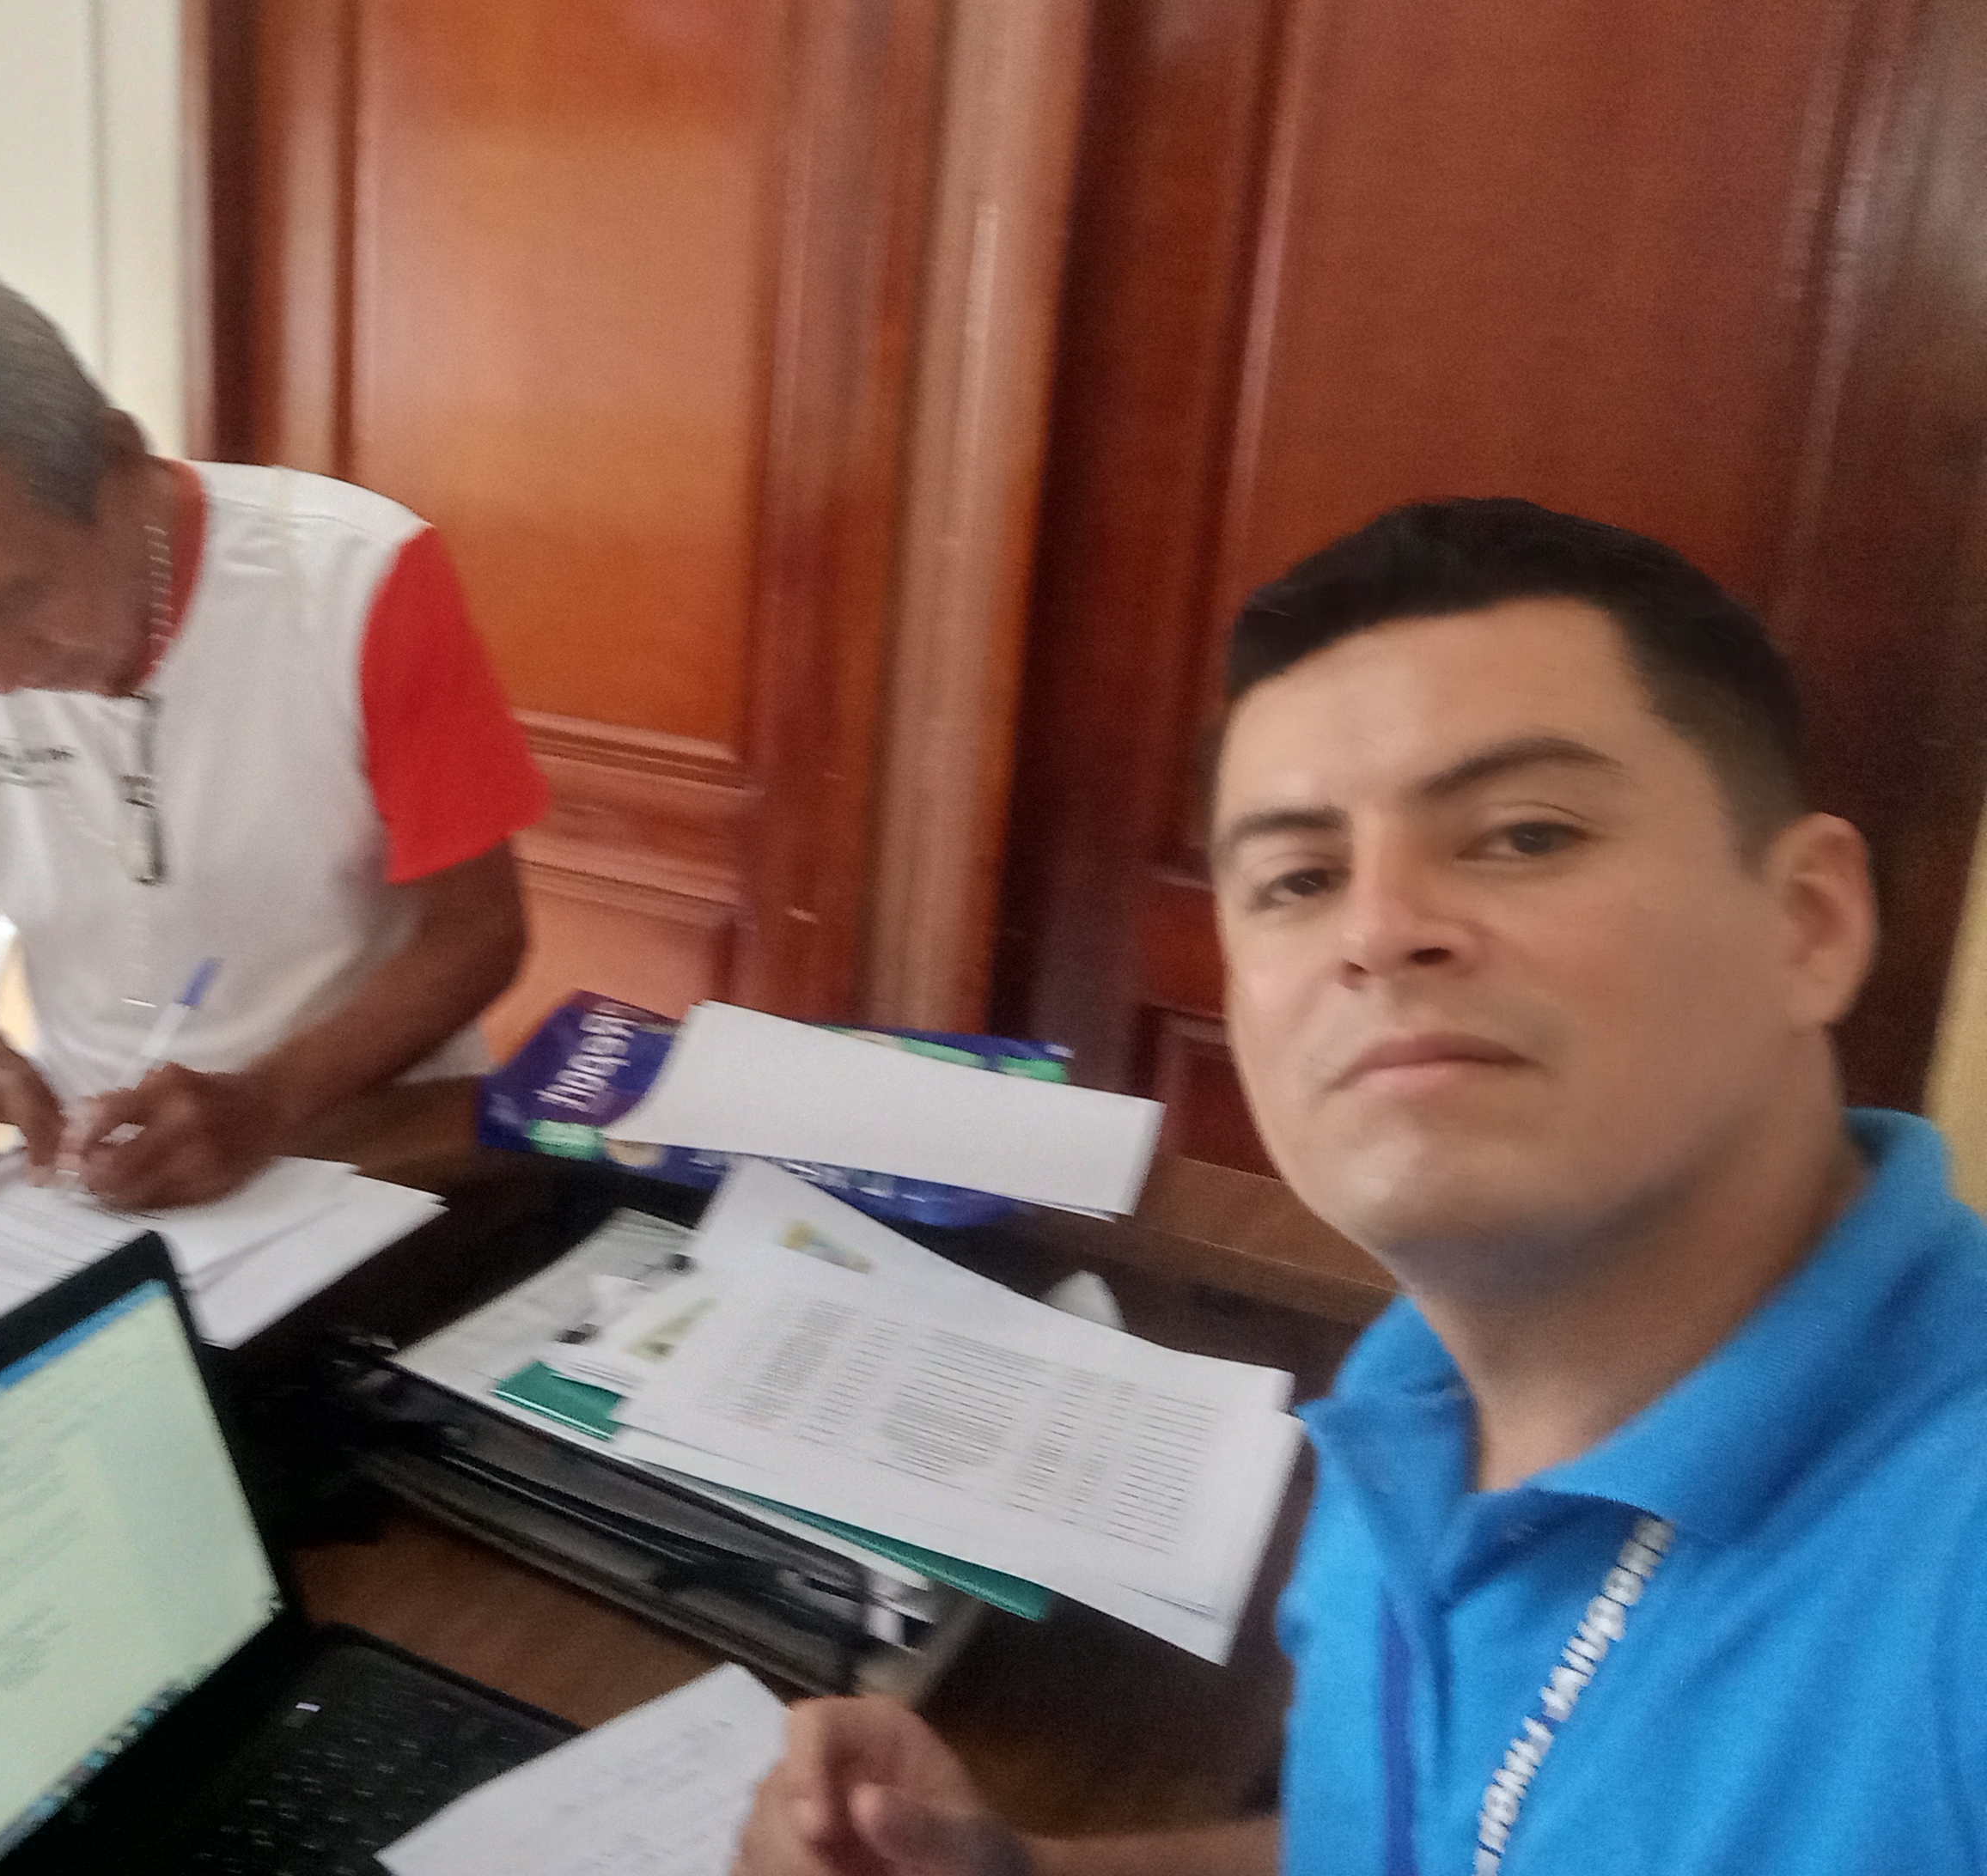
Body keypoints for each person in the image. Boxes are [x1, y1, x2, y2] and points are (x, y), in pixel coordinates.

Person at [734, 498, 1987, 1875]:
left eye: (1524, 835)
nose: (1379, 931)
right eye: (1300, 878)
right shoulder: (1416, 1384)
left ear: (1809, 925)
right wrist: (1023, 1872)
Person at [0, 263, 546, 1209]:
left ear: (121, 464)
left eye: (19, 600)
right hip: (99, 1170)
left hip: (368, 1138)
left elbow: (480, 932)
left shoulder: (356, 582)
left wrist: (269, 1100)